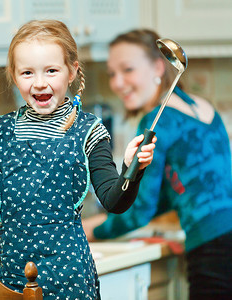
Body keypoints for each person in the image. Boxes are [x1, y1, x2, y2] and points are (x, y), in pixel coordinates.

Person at [0, 20, 156, 299]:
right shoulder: (2, 130)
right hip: (7, 278)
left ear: (72, 71)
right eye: (27, 72)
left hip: (66, 281)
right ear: (13, 75)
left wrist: (131, 169)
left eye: (51, 70)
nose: (40, 83)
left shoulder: (89, 130)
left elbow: (115, 201)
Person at [83, 29, 232, 300]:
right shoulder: (204, 107)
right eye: (112, 74)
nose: (117, 83)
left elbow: (140, 210)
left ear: (158, 66)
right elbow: (176, 191)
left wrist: (93, 230)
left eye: (127, 70)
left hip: (213, 249)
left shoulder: (156, 121)